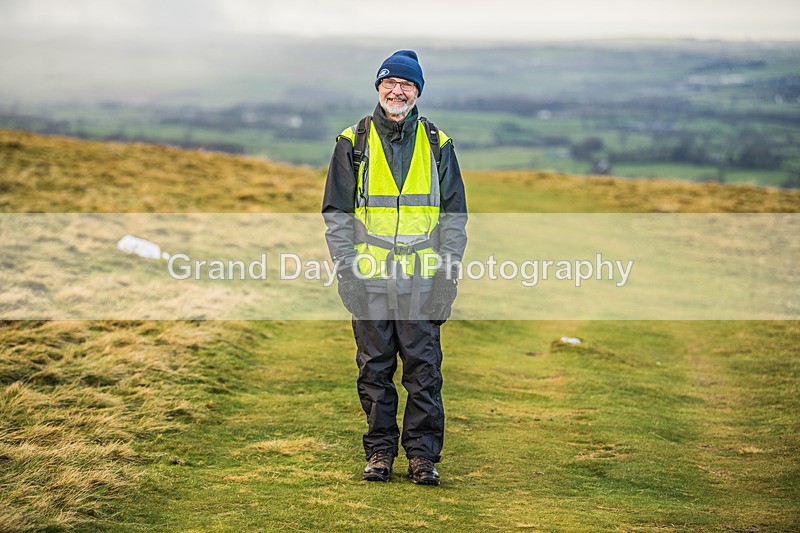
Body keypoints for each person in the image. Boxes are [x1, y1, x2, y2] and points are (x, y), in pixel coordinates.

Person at [322, 50, 467, 486]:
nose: (397, 90)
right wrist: (346, 273)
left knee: (424, 372)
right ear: (378, 87)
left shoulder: (439, 143)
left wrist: (448, 277)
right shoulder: (353, 142)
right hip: (369, 279)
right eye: (390, 83)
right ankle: (380, 453)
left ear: (417, 91)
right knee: (375, 369)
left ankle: (422, 458)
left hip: (423, 280)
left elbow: (454, 219)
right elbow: (337, 215)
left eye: (406, 84)